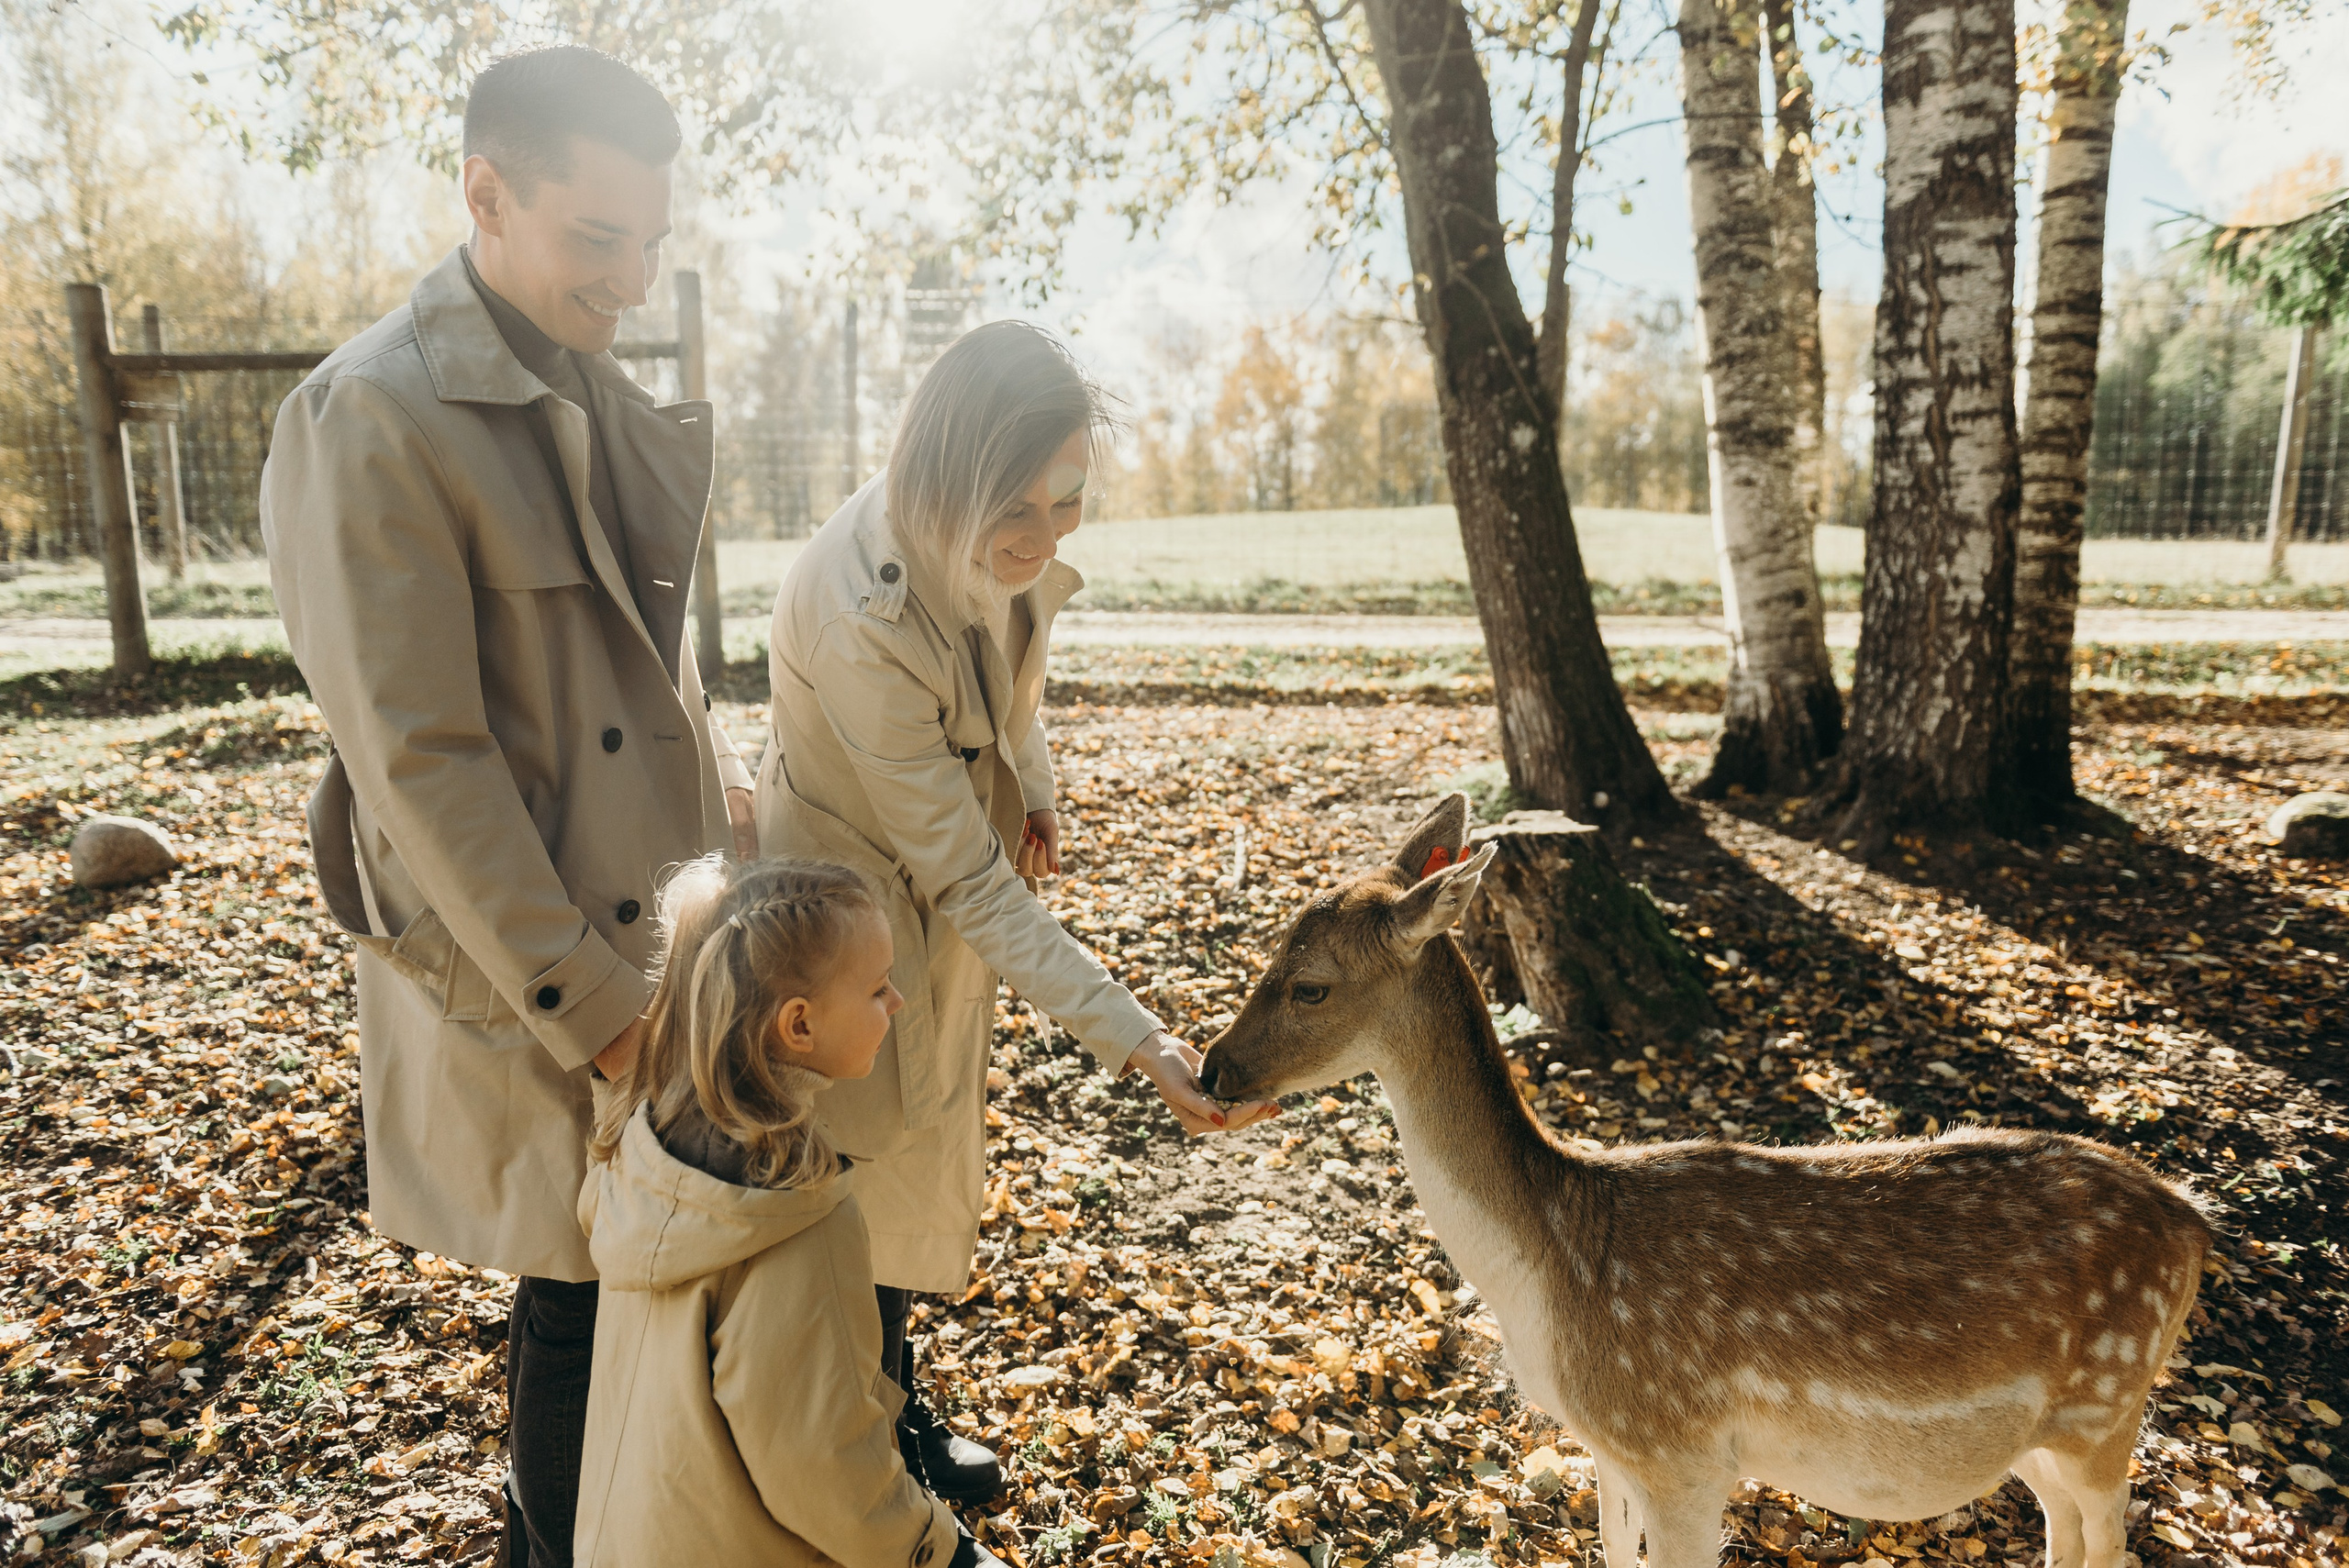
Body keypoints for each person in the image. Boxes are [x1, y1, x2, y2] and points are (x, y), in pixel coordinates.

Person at [260, 45, 753, 1568]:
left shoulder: (580, 382)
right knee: (584, 1283)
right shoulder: (373, 419)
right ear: (484, 194)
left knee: (644, 1282)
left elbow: (618, 663)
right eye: (595, 238)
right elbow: (421, 761)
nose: (630, 279)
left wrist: (713, 764)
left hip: (657, 922)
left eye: (649, 240)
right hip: (541, 954)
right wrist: (596, 1005)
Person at [755, 321, 1278, 1500]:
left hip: (931, 895)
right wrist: (1139, 1038)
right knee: (848, 1157)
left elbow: (1009, 678)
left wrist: (1030, 780)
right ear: (949, 476)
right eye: (1023, 512)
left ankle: (887, 1405)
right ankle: (847, 1448)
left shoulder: (985, 545)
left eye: (1071, 503)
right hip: (839, 905)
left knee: (907, 1155)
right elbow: (968, 878)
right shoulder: (862, 616)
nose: (1046, 541)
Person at [575, 853, 997, 1568]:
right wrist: (938, 1551)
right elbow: (822, 1459)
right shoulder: (798, 1221)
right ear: (798, 1025)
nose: (896, 1002)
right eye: (876, 987)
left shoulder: (647, 1148)